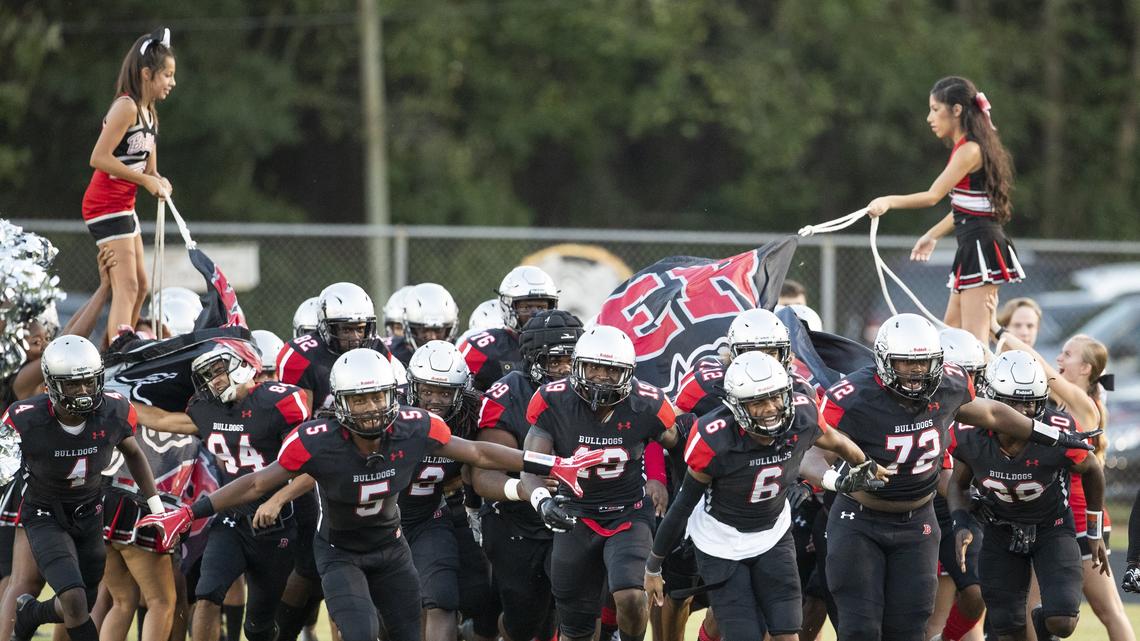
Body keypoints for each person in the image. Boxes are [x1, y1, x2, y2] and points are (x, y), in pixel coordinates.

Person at [139, 348, 603, 641]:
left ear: (392, 396)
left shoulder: (415, 426)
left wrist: (551, 464)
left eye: (377, 397)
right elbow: (260, 482)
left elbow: (481, 453)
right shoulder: (316, 439)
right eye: (358, 400)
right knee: (358, 632)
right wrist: (190, 512)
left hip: (391, 548)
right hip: (339, 553)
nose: (369, 408)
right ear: (340, 402)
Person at [799, 313, 1096, 641]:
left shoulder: (951, 383)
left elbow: (992, 412)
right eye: (906, 363)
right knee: (861, 630)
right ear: (884, 361)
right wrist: (834, 480)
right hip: (860, 520)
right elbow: (811, 451)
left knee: (910, 629)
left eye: (925, 363)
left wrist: (1047, 433)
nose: (917, 372)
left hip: (917, 522)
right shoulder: (852, 395)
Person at [644, 352, 889, 641]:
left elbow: (835, 439)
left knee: (787, 634)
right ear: (735, 405)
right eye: (759, 402)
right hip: (721, 542)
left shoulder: (802, 414)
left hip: (773, 534)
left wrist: (865, 464)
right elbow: (683, 505)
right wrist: (653, 565)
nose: (771, 408)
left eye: (776, 397)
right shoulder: (714, 438)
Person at [518, 325, 689, 641]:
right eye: (593, 367)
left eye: (611, 370)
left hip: (627, 513)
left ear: (629, 373)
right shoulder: (552, 400)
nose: (600, 377)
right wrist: (542, 500)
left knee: (631, 596)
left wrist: (683, 499)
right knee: (576, 628)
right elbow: (530, 466)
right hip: (574, 516)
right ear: (577, 365)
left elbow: (680, 447)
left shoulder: (648, 404)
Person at [136, 341, 312, 641]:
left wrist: (280, 499)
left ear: (244, 366)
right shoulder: (207, 409)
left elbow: (310, 466)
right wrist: (105, 397)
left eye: (219, 370)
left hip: (275, 524)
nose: (214, 380)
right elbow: (161, 420)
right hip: (230, 517)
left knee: (258, 626)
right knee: (207, 594)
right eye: (208, 374)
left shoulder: (275, 403)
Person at [3, 336, 163, 641]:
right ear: (51, 384)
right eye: (73, 384)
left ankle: (33, 614)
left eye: (89, 382)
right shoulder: (26, 418)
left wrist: (157, 508)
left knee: (81, 603)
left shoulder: (114, 410)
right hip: (44, 512)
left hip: (90, 511)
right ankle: (31, 614)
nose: (84, 391)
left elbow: (134, 452)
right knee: (74, 600)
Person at [948, 350, 1106, 641]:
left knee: (1062, 621)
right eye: (1012, 403)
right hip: (999, 530)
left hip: (1052, 528)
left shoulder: (1055, 431)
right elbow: (958, 484)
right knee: (1007, 627)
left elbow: (1093, 468)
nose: (1021, 413)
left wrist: (1094, 530)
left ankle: (1043, 623)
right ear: (991, 398)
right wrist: (961, 523)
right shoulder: (969, 434)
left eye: (1030, 403)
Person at [994, 328, 1133, 641]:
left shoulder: (1085, 405)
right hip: (1058, 517)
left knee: (1107, 609)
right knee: (1036, 602)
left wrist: (1000, 331)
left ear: (1085, 368)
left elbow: (1042, 369)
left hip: (1082, 519)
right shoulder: (1056, 405)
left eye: (1068, 354)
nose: (1059, 358)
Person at [867, 76, 1022, 345]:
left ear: (957, 110)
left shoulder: (970, 150)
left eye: (935, 109)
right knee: (952, 329)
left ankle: (988, 384)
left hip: (980, 247)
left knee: (973, 340)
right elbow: (967, 207)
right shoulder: (965, 148)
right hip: (973, 245)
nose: (929, 117)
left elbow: (932, 196)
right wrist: (933, 234)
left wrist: (888, 201)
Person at [472, 310, 583, 641]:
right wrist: (525, 489)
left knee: (578, 607)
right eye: (556, 361)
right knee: (525, 623)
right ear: (533, 359)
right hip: (518, 524)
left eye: (571, 360)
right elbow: (483, 477)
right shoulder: (508, 395)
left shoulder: (594, 391)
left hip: (578, 519)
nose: (566, 370)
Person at [82, 28, 177, 345]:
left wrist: (158, 179)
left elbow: (148, 167)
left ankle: (124, 345)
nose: (172, 83)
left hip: (124, 206)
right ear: (147, 74)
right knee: (128, 287)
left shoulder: (151, 114)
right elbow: (99, 158)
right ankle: (119, 359)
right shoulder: (126, 107)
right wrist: (145, 180)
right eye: (167, 75)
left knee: (142, 285)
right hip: (104, 206)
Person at [399, 340, 496, 641]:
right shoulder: (389, 412)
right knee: (391, 612)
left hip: (431, 514)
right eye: (427, 390)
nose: (435, 400)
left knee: (445, 597)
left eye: (445, 392)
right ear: (413, 386)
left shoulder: (472, 412)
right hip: (380, 519)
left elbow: (482, 454)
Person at [929, 328, 988, 641]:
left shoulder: (984, 410)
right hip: (930, 510)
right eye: (958, 372)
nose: (967, 382)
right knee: (931, 610)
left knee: (977, 593)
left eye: (972, 373)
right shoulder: (922, 408)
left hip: (967, 510)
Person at [277, 281, 393, 412]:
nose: (355, 337)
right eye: (347, 330)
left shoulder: (377, 348)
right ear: (327, 327)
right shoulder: (301, 355)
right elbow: (299, 421)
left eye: (360, 329)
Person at [459, 266, 559, 391]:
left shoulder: (562, 344)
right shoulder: (482, 348)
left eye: (541, 307)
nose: (535, 315)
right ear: (508, 306)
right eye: (526, 307)